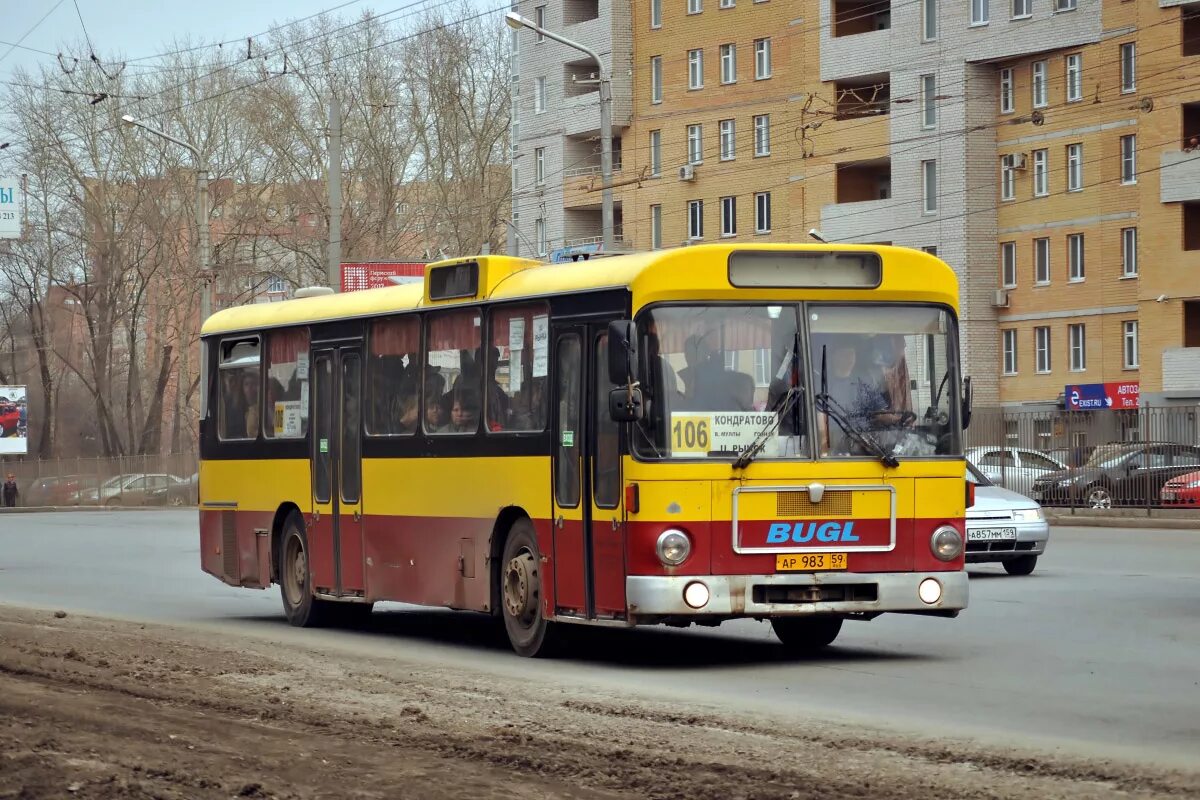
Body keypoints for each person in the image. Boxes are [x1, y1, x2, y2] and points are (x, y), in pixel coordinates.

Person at [242, 369, 261, 439]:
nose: (249, 388)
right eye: (246, 384)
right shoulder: (241, 409)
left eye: (253, 384)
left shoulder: (262, 409)